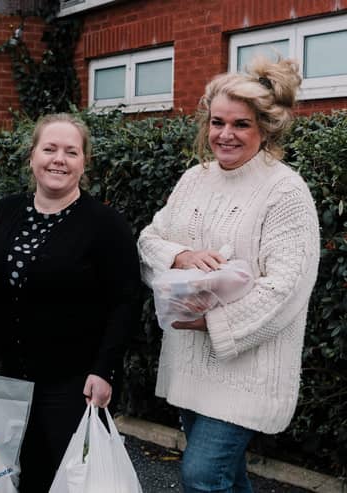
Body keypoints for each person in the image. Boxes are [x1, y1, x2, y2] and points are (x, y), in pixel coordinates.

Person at [137, 57, 320, 493]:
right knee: (227, 478)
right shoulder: (193, 180)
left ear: (266, 128)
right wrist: (180, 255)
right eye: (217, 122)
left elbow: (286, 288)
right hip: (190, 364)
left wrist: (213, 322)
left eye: (240, 124)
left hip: (247, 368)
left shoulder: (285, 190)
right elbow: (148, 241)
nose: (225, 135)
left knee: (202, 475)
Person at [0, 113, 142, 492]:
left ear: (84, 162)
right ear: (32, 156)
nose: (59, 159)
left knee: (70, 481)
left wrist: (105, 371)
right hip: (12, 379)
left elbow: (126, 303)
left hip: (73, 384)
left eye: (71, 152)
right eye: (49, 148)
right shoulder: (6, 211)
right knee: (18, 477)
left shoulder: (105, 224)